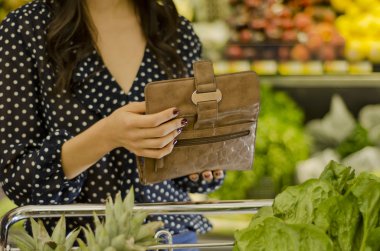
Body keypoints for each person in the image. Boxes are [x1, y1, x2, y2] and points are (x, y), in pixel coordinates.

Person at [0, 0, 225, 248]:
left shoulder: (174, 29)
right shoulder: (25, 28)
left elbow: (187, 165)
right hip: (74, 243)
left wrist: (204, 161)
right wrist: (107, 135)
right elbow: (18, 179)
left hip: (172, 238)